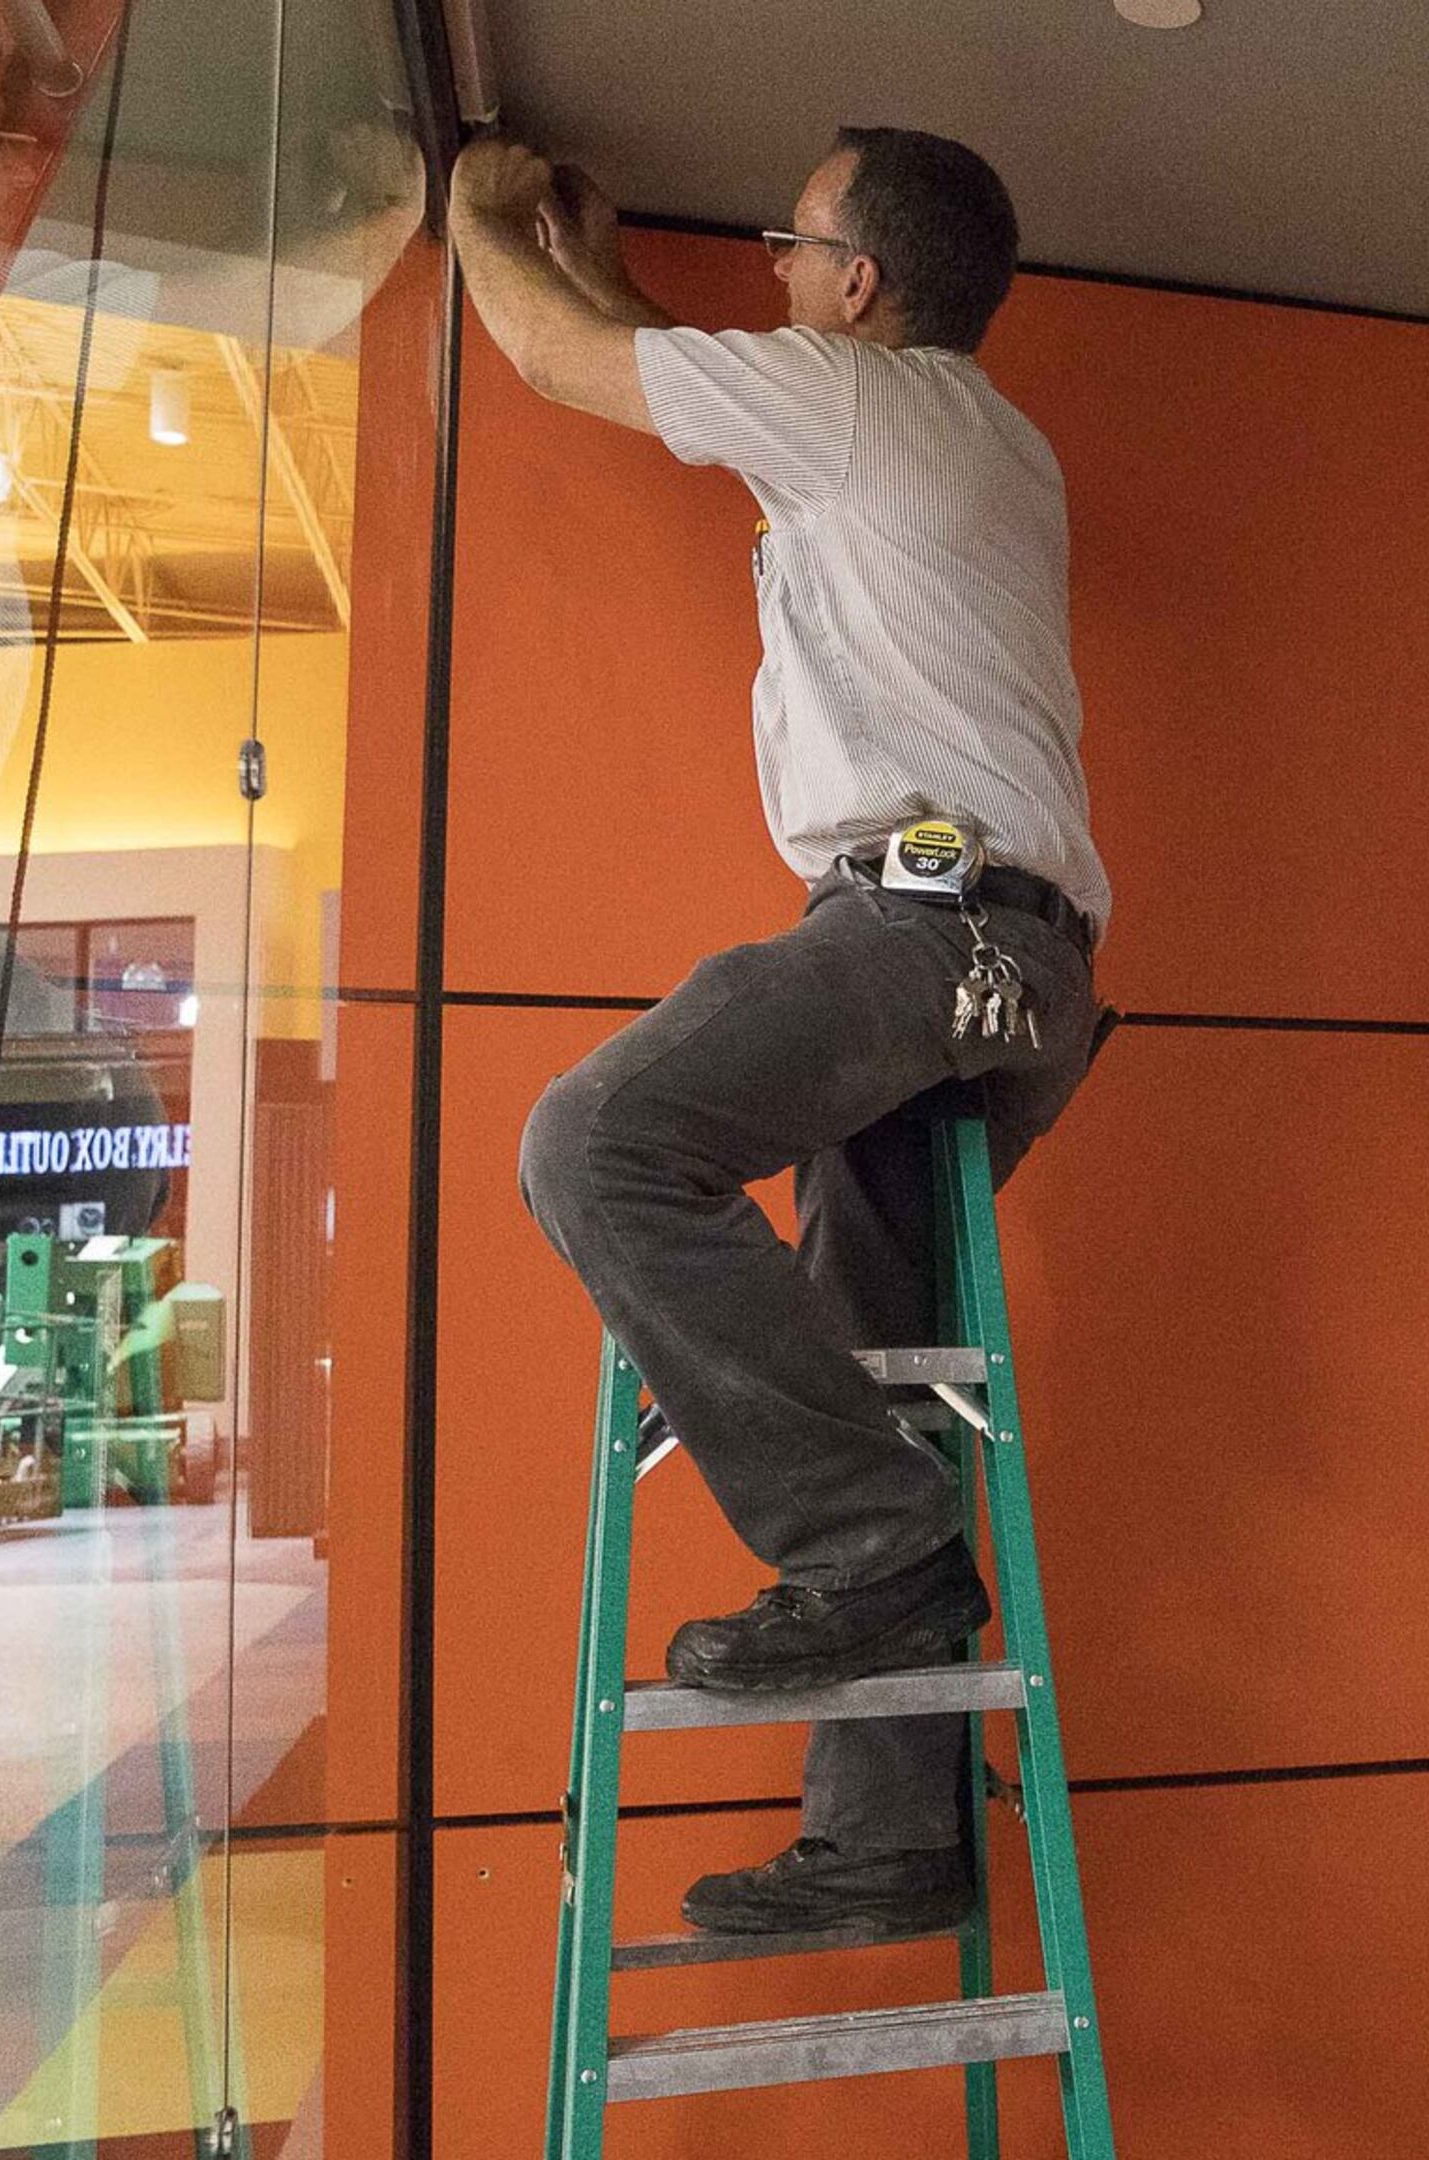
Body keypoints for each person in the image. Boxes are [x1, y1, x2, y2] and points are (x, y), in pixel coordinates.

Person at [447, 127, 1108, 1938]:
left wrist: (477, 219)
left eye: (790, 248)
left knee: (599, 1142)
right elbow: (684, 373)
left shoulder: (859, 407)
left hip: (928, 928)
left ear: (858, 284)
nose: (772, 273)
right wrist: (597, 268)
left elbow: (549, 358)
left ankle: (873, 1552)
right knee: (872, 1351)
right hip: (1018, 968)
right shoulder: (957, 430)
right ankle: (891, 1838)